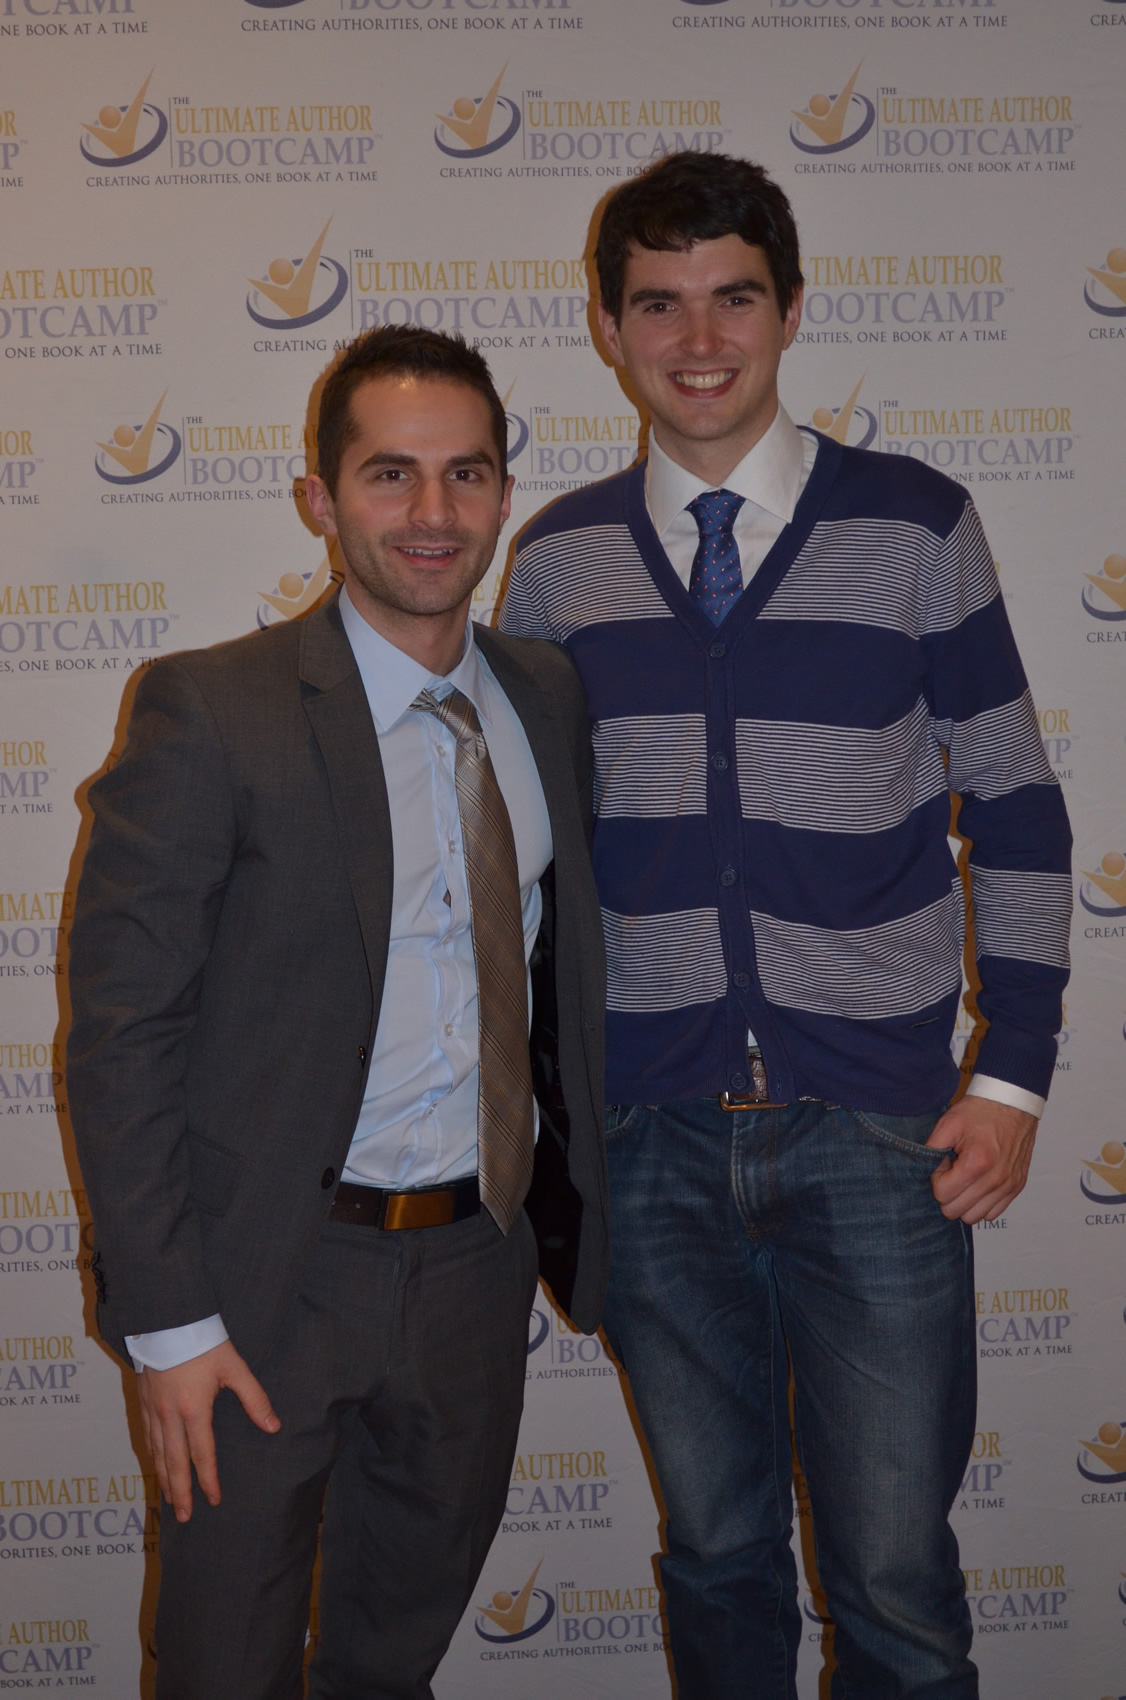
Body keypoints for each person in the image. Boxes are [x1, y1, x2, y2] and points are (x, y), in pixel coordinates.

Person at [499, 151, 1071, 1699]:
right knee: (715, 1557)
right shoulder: (552, 563)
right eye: (657, 304)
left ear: (792, 309)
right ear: (607, 328)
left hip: (877, 1136)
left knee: (893, 1581)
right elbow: (518, 865)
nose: (698, 340)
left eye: (732, 298)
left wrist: (1010, 1076)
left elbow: (1015, 808)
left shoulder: (917, 527)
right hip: (650, 1139)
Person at [66, 325, 607, 1700]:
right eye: (389, 474)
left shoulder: (544, 697)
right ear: (320, 498)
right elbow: (124, 1035)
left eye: (465, 474)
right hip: (265, 1286)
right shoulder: (212, 711)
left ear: (503, 494)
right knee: (222, 1667)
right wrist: (170, 1327)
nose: (433, 513)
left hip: (473, 1270)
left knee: (391, 1662)